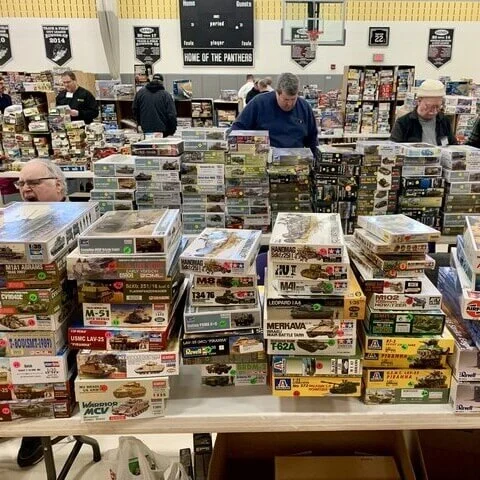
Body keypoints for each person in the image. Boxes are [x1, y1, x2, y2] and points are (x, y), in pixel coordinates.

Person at [13, 159, 67, 467]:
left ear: (59, 186)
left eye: (34, 183)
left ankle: (37, 430)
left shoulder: (83, 218)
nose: (25, 189)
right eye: (21, 184)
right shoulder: (14, 221)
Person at [231, 72, 318, 153]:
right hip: (265, 161)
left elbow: (312, 139)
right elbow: (238, 127)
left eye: (293, 99)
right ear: (277, 92)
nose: (290, 103)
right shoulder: (259, 103)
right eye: (286, 99)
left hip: (295, 163)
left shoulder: (304, 107)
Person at [390, 79, 456, 145]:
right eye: (429, 106)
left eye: (438, 107)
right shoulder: (403, 123)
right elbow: (393, 148)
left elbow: (453, 146)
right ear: (418, 101)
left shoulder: (444, 121)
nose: (434, 111)